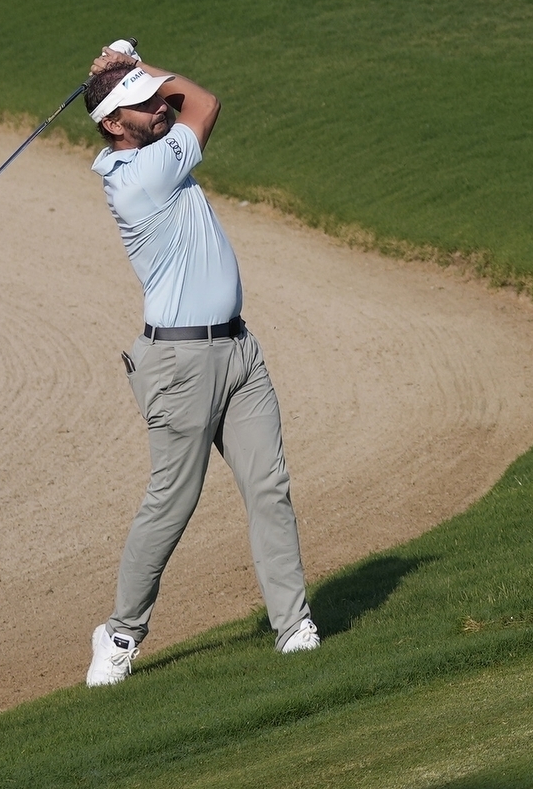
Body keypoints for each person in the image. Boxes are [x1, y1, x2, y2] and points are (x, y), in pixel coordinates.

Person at [79, 44, 319, 685]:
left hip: (239, 351)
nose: (158, 107)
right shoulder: (141, 177)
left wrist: (131, 71)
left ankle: (293, 627)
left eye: (153, 97)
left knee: (268, 486)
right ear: (111, 123)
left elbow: (179, 105)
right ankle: (121, 635)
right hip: (180, 364)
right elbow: (204, 103)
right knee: (171, 502)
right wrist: (140, 58)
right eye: (138, 104)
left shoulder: (154, 155)